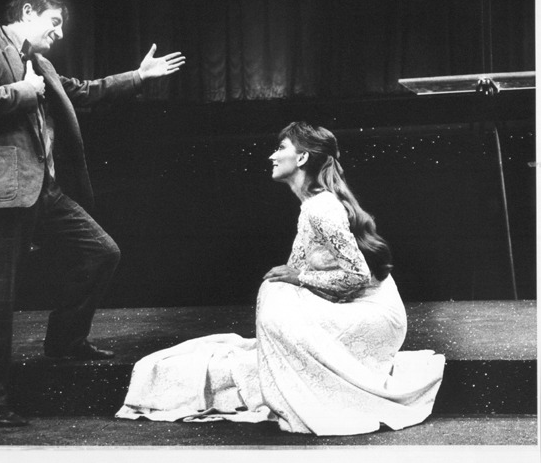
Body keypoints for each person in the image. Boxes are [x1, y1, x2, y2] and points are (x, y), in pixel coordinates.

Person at [0, 0, 185, 428]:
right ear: (27, 12)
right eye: (54, 22)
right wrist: (27, 90)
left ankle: (64, 342)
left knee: (101, 252)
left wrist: (138, 77)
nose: (59, 33)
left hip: (45, 190)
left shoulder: (40, 64)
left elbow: (86, 90)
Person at [116, 121, 445, 436]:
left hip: (374, 319)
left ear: (301, 158)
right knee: (274, 295)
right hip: (350, 307)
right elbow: (296, 270)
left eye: (280, 148)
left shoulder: (321, 208)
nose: (272, 156)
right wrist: (297, 278)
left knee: (276, 295)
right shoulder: (311, 206)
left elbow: (357, 275)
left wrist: (301, 278)